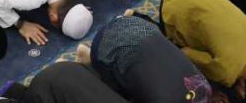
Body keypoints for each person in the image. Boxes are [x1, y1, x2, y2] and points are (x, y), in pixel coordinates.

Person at [76, 13, 212, 103]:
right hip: (105, 45)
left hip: (138, 24)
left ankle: (90, 55)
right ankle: (90, 59)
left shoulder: (206, 89)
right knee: (116, 94)